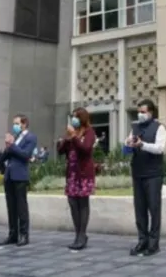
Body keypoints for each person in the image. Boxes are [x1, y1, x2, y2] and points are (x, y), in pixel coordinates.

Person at [125, 98, 166, 257]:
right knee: (140, 209)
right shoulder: (135, 127)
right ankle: (142, 240)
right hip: (138, 172)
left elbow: (159, 148)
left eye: (143, 112)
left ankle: (153, 243)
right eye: (139, 112)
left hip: (153, 174)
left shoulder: (160, 128)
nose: (140, 114)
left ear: (151, 112)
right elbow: (128, 143)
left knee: (154, 208)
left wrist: (142, 145)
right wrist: (129, 143)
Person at [57, 107, 96, 250]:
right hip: (72, 173)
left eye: (76, 117)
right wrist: (66, 140)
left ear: (83, 118)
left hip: (83, 173)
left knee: (82, 204)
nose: (74, 119)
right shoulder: (71, 134)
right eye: (72, 117)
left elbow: (86, 149)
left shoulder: (89, 132)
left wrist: (74, 137)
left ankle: (82, 235)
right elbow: (61, 151)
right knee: (73, 203)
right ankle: (77, 234)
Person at [0, 114, 37, 247]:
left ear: (24, 123)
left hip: (20, 176)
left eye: (17, 123)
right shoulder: (14, 138)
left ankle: (24, 235)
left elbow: (26, 155)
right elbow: (2, 159)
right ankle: (12, 234)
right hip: (9, 175)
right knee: (11, 207)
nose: (14, 126)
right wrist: (7, 146)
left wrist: (13, 146)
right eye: (14, 123)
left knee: (21, 207)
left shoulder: (30, 137)